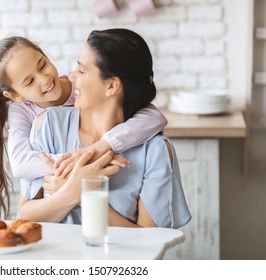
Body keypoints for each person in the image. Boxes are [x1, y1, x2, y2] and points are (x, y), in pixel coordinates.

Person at [0, 35, 167, 219]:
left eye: (43, 65)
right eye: (29, 81)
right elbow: (21, 163)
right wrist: (75, 168)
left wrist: (99, 148)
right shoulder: (28, 114)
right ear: (16, 96)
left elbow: (154, 117)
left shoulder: (80, 86)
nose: (44, 79)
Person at [17, 29, 191, 228]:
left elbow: (151, 239)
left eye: (81, 71)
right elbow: (22, 219)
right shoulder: (50, 125)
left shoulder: (154, 151)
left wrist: (83, 195)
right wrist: (70, 192)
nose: (71, 78)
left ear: (111, 86)